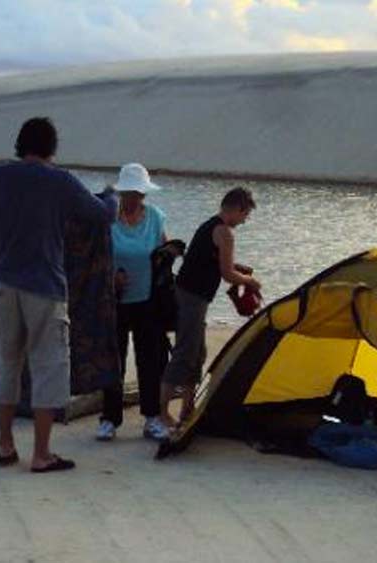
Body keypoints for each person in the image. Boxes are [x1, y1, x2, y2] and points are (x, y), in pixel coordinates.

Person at [0, 117, 117, 473]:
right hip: (46, 289)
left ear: (19, 145)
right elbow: (102, 216)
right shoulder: (61, 182)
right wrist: (112, 196)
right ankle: (41, 454)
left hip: (3, 286)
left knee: (7, 364)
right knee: (48, 367)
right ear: (52, 148)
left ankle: (5, 446)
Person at [159, 187, 261, 428]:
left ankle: (187, 407)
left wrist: (239, 267)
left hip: (192, 295)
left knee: (198, 353)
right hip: (191, 297)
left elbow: (208, 259)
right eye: (245, 216)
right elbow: (227, 274)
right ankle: (161, 412)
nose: (244, 221)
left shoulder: (210, 226)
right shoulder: (224, 232)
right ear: (237, 209)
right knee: (185, 353)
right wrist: (249, 281)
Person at [96, 163, 172, 442]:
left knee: (150, 360)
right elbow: (96, 256)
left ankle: (151, 418)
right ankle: (109, 419)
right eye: (130, 193)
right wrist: (110, 276)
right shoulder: (107, 218)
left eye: (140, 193)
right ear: (121, 192)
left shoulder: (155, 217)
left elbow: (164, 252)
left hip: (148, 301)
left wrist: (169, 256)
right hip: (113, 301)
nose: (136, 198)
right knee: (113, 360)